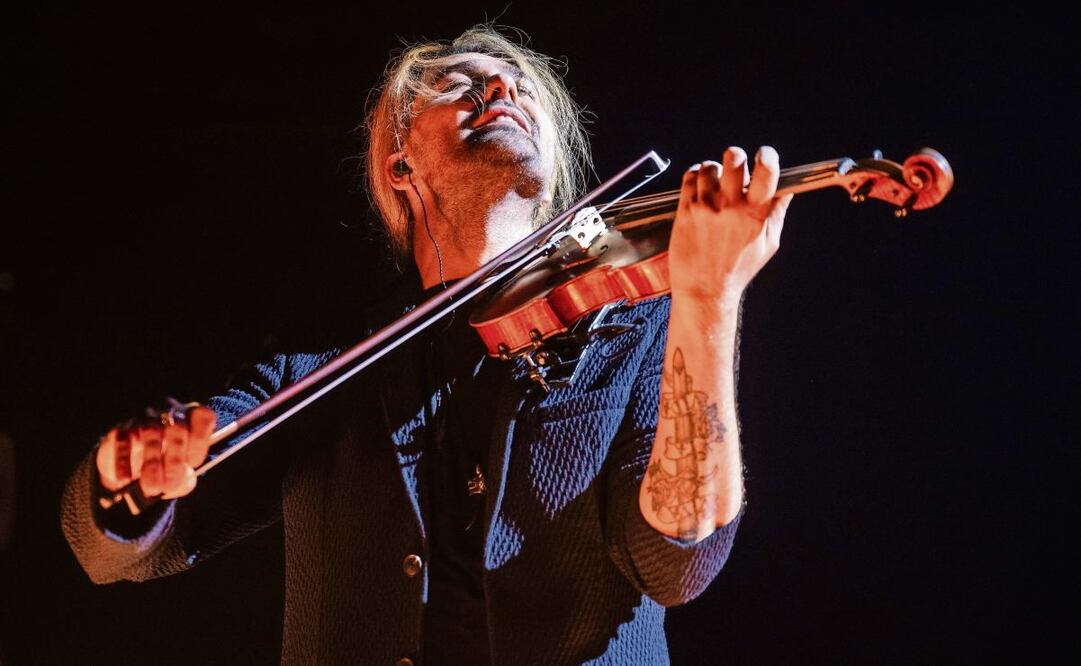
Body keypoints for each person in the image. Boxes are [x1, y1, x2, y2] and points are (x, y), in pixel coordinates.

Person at [61, 25, 792, 665]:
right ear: (399, 164)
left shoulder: (638, 332)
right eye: (458, 84)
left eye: (517, 87)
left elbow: (676, 563)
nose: (500, 86)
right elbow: (123, 548)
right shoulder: (325, 368)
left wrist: (709, 296)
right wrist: (130, 476)